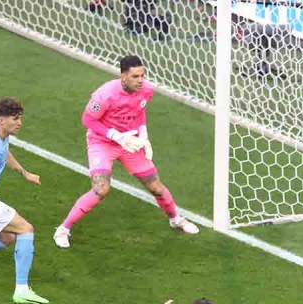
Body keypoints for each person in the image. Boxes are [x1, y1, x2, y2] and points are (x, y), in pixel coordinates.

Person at [54, 54, 198, 249]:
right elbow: (88, 120)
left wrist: (143, 133)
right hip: (102, 142)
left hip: (130, 143)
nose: (140, 80)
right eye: (135, 76)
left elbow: (139, 110)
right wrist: (115, 135)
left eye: (142, 75)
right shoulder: (104, 95)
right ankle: (63, 229)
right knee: (101, 189)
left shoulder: (146, 90)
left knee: (155, 187)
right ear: (123, 76)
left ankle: (175, 219)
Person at [0, 97, 48, 304]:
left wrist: (24, 173)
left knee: (5, 237)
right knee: (25, 229)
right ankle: (22, 290)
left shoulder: (0, 132)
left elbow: (4, 152)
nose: (20, 123)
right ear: (2, 120)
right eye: (15, 119)